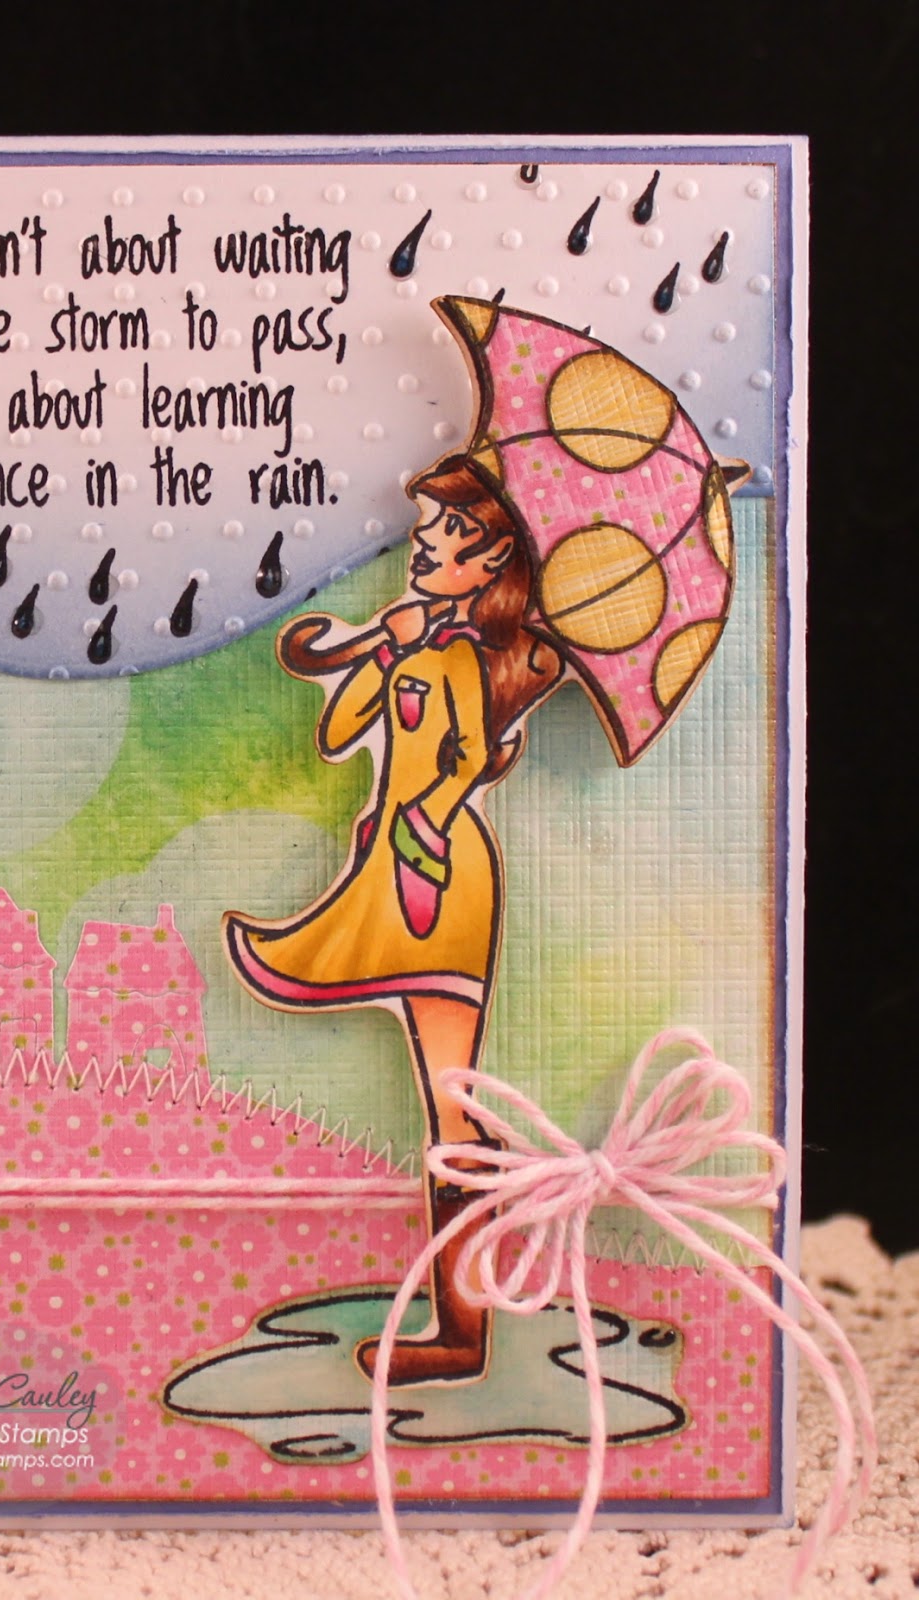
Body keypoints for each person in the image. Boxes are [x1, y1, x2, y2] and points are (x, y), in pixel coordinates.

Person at [223, 451, 566, 1385]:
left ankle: (462, 1332)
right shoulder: (421, 647)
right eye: (424, 531)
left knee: (451, 1103)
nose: (423, 547)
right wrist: (377, 645)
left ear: (492, 559)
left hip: (437, 874)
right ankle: (462, 1322)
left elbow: (464, 756)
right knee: (444, 1099)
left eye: (448, 535)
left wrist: (427, 822)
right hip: (396, 860)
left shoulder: (459, 657)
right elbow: (339, 734)